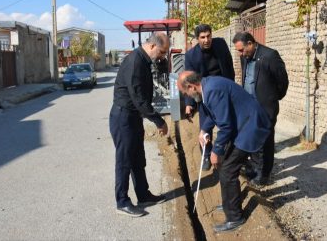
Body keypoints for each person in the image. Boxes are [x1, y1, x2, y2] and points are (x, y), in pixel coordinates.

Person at [177, 71, 271, 232]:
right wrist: (204, 130)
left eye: (186, 93)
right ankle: (230, 203)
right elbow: (216, 114)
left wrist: (216, 151)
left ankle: (235, 217)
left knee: (227, 169)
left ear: (192, 87)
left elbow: (226, 125)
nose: (189, 97)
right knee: (225, 166)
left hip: (250, 125)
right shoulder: (207, 86)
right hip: (241, 123)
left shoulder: (212, 90)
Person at [109, 33, 169, 217]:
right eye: (161, 52)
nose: (162, 56)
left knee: (137, 158)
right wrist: (158, 120)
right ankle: (122, 202)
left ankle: (143, 195)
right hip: (123, 118)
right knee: (125, 160)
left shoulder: (144, 60)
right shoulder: (135, 62)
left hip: (133, 117)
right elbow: (139, 99)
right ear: (152, 46)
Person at [232, 32, 289, 186]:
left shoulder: (270, 56)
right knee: (252, 137)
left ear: (251, 43)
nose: (241, 53)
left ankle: (264, 175)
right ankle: (256, 168)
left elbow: (282, 81)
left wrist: (272, 98)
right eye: (239, 51)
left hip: (265, 107)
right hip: (249, 107)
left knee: (265, 140)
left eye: (242, 49)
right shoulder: (244, 57)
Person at [184, 24, 235, 170]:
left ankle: (230, 154)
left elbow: (229, 68)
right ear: (197, 39)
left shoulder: (221, 44)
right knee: (205, 128)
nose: (206, 40)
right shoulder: (191, 56)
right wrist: (189, 103)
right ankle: (206, 155)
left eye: (208, 36)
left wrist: (231, 88)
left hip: (224, 92)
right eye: (203, 37)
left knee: (228, 123)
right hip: (205, 95)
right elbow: (189, 80)